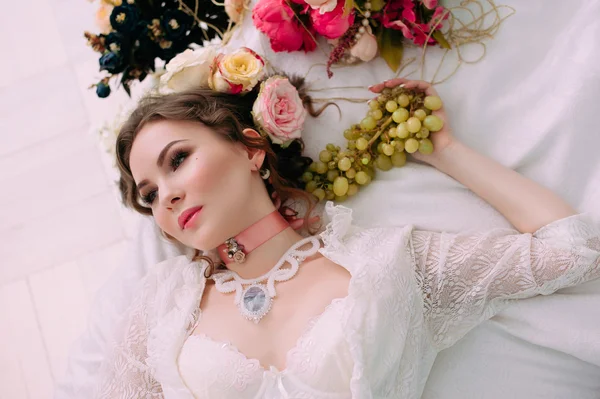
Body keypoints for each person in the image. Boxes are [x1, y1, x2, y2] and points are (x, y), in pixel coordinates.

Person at [56, 78, 600, 399]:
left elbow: (573, 252)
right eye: (148, 195)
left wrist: (447, 151)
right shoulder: (161, 305)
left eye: (178, 160)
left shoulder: (389, 266)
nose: (167, 196)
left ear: (251, 150)